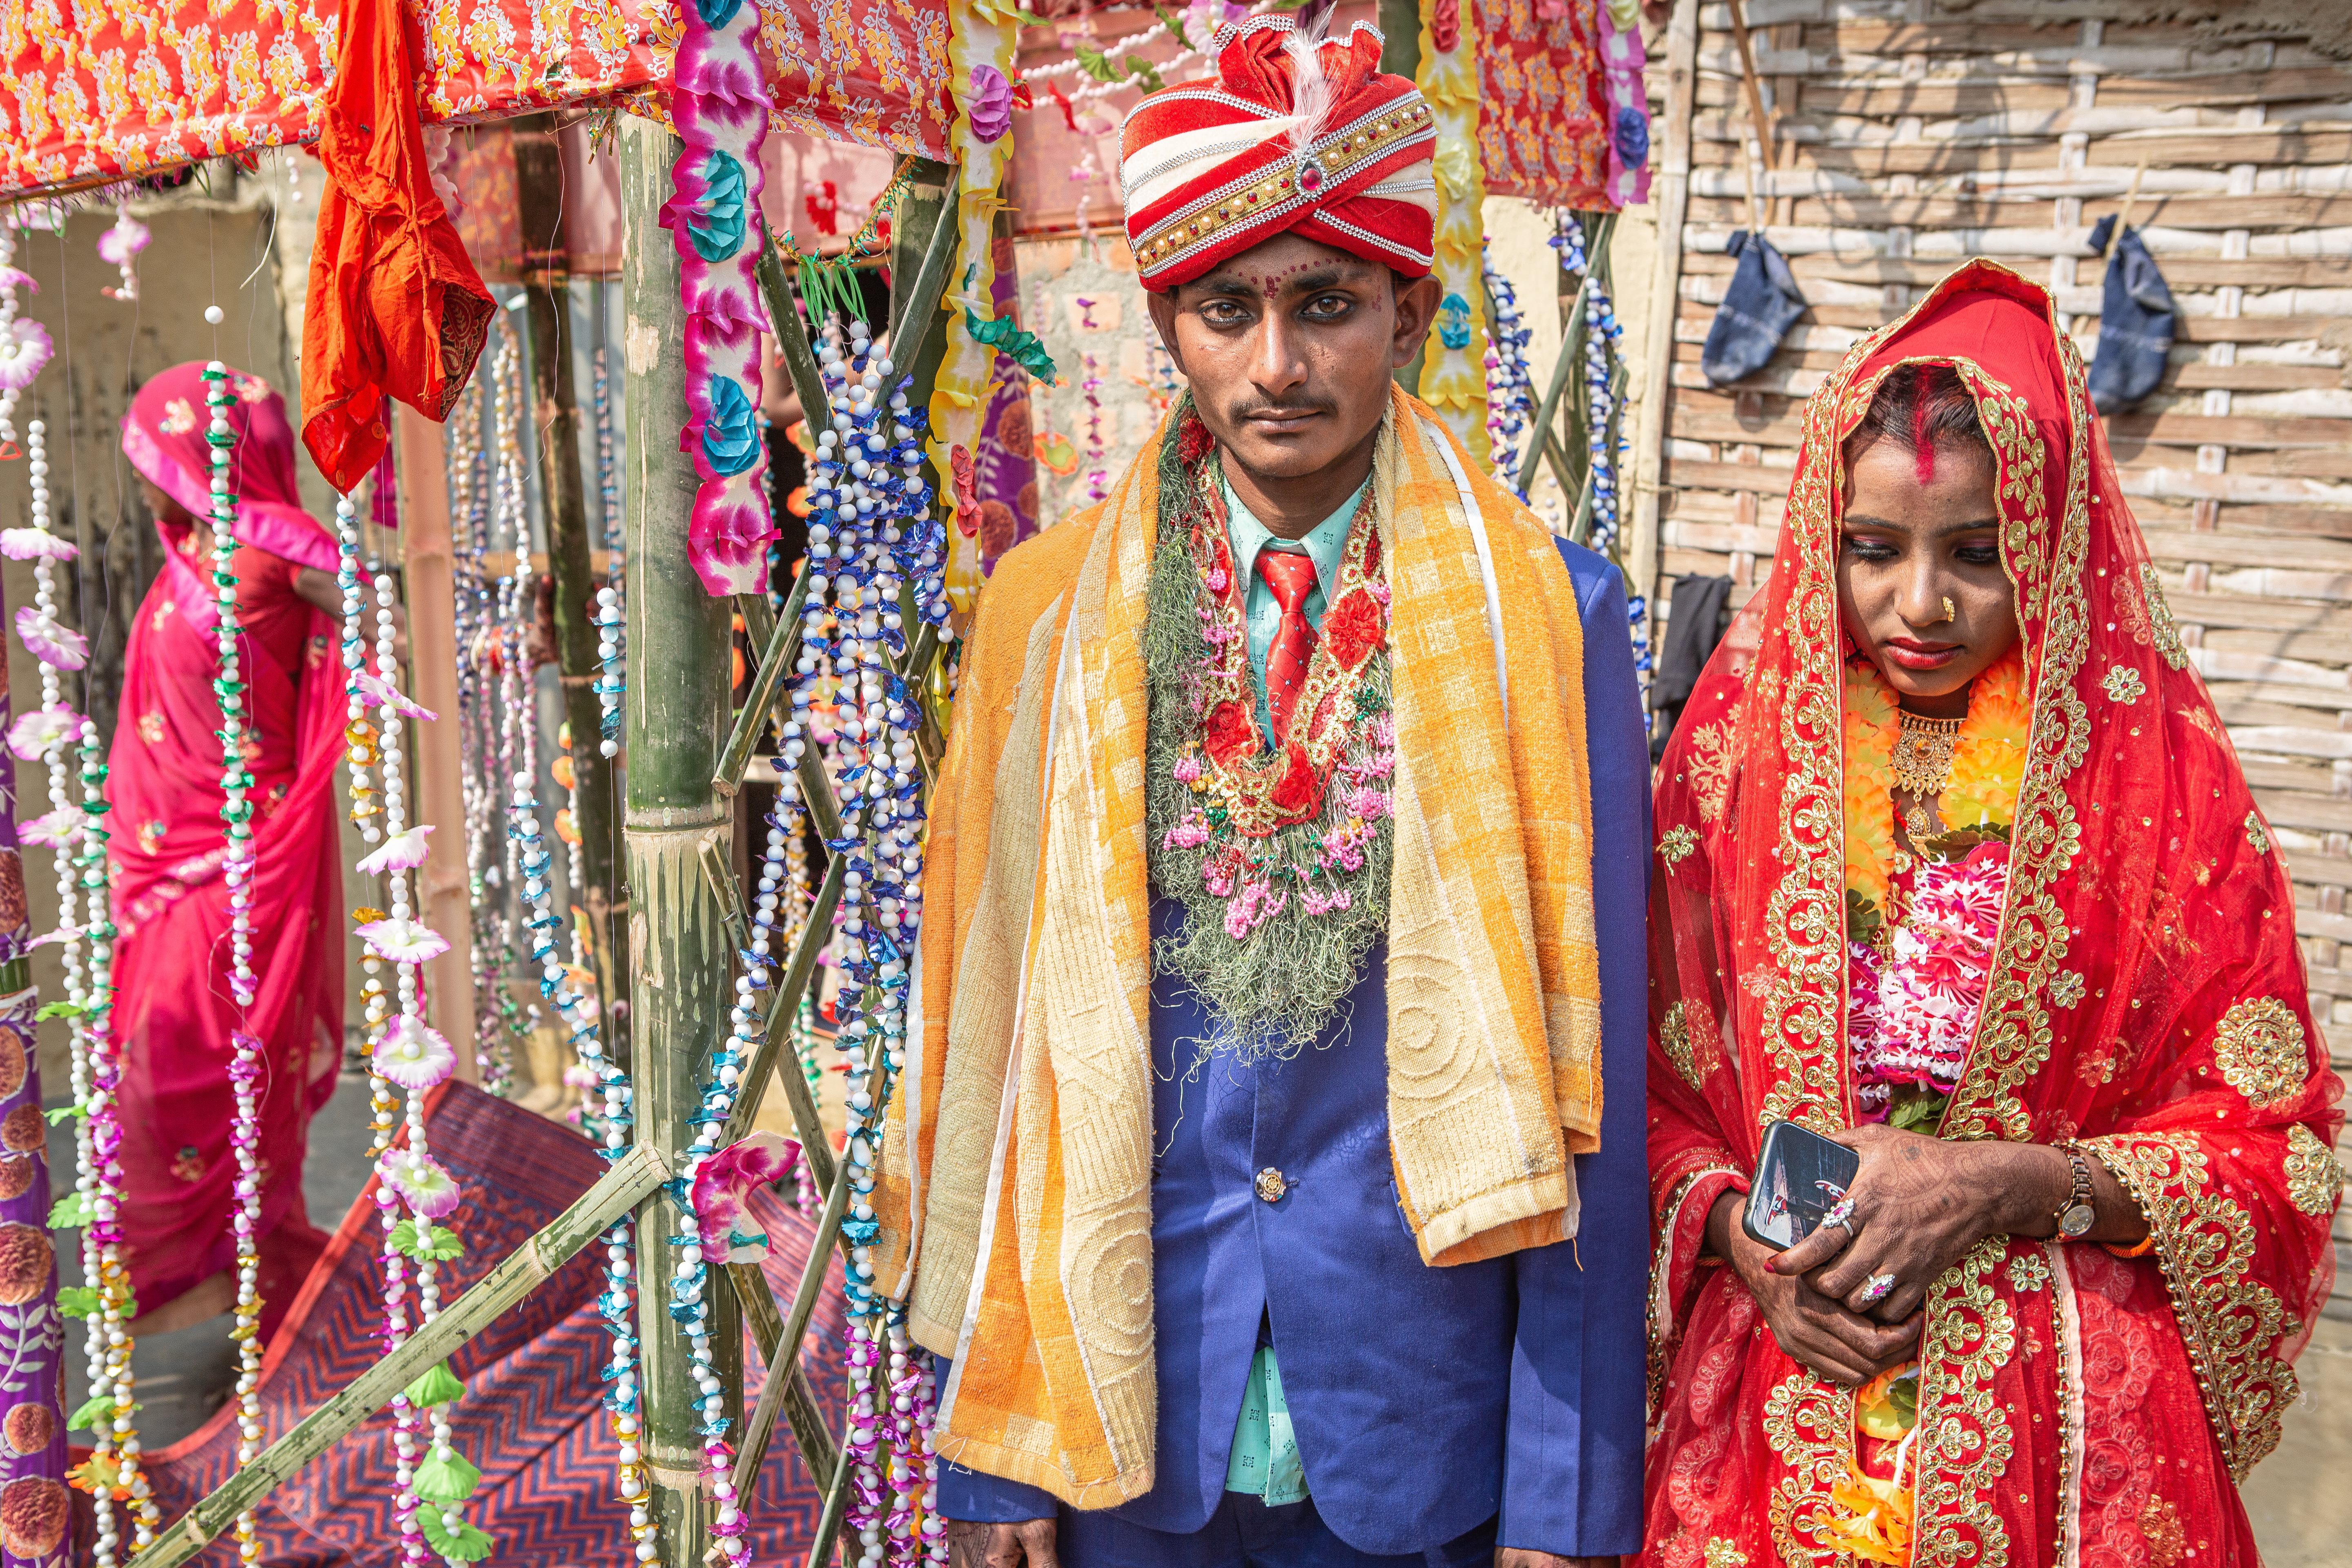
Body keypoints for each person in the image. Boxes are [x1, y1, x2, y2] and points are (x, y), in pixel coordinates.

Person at [871, 16, 1648, 1566]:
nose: (1278, 365)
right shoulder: (1045, 612)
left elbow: (1601, 1075)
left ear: (1410, 312)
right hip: (1120, 1405)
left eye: (1329, 305)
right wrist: (994, 1453)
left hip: (1427, 1431)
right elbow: (991, 1024)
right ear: (1168, 322)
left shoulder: (1551, 612)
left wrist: (1565, 1490)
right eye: (1228, 309)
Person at [1642, 261, 2345, 1565]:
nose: (1922, 604)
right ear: (1821, 535)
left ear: (2054, 538)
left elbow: (2274, 1147)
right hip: (1778, 1398)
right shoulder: (1736, 766)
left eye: (1978, 552)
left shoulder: (2153, 791)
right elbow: (1643, 1087)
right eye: (1874, 549)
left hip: (2055, 1435)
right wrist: (1740, 1240)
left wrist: (2009, 1181)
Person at [110, 362, 352, 1340]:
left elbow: (338, 587)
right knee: (173, 1086)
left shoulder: (266, 562)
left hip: (222, 883)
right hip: (169, 880)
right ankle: (229, 1284)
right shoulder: (206, 547)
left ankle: (230, 1278)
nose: (157, 483)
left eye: (173, 459)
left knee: (193, 1084)